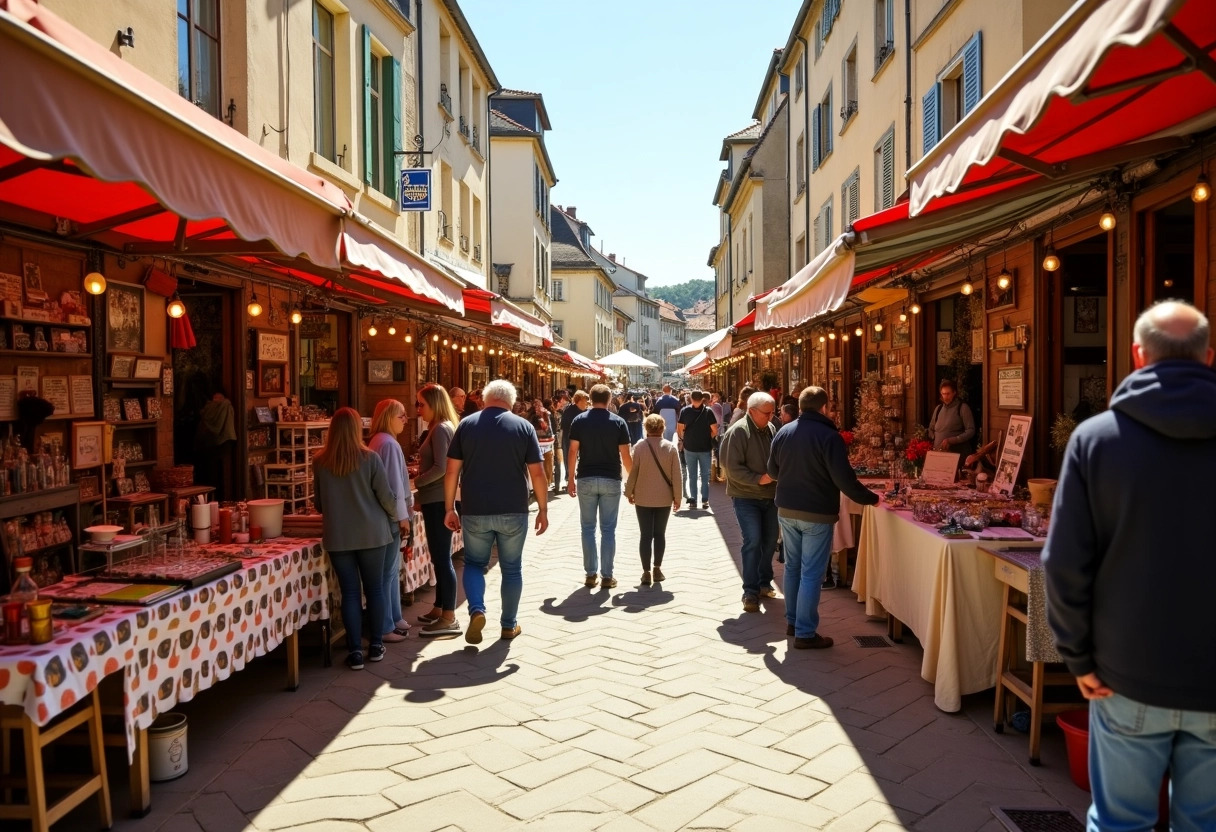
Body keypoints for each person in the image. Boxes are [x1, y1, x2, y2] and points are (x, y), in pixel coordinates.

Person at [1043, 300, 1216, 832]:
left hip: (1126, 669)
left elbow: (1064, 563)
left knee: (1121, 822)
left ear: (1138, 356)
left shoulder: (1097, 439)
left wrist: (1078, 657)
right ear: (1208, 357)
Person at [769, 387, 879, 649]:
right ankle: (805, 633)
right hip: (816, 512)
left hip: (786, 510)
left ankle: (793, 622)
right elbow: (845, 479)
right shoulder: (829, 436)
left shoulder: (784, 431)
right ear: (823, 408)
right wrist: (871, 498)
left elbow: (772, 471)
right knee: (811, 573)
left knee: (793, 567)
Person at [444, 380, 549, 644]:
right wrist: (543, 509)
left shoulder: (466, 425)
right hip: (513, 509)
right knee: (512, 569)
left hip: (475, 508)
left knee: (475, 564)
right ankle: (508, 625)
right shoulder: (524, 427)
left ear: (484, 400)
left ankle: (477, 608)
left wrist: (449, 508)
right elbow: (538, 473)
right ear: (511, 402)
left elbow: (451, 471)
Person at [313, 408, 398, 669]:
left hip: (339, 536)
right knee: (374, 589)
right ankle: (375, 644)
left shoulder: (320, 461)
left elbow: (319, 504)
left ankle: (354, 651)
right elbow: (385, 497)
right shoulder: (370, 458)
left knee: (350, 592)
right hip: (373, 534)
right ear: (356, 429)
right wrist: (397, 516)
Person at [567, 383, 633, 589]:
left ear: (590, 399)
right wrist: (633, 480)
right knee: (608, 530)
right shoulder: (618, 422)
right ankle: (607, 575)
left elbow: (572, 451)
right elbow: (625, 455)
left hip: (586, 477)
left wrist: (570, 479)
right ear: (609, 398)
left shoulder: (579, 420)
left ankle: (590, 573)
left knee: (587, 528)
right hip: (611, 478)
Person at [721, 391, 780, 613]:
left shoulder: (771, 428)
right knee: (753, 540)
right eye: (766, 413)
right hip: (746, 496)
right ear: (752, 411)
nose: (771, 416)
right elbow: (731, 468)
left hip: (770, 496)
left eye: (772, 412)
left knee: (769, 541)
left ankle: (765, 582)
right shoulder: (738, 432)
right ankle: (750, 591)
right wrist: (759, 479)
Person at [413, 384, 462, 636]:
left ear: (434, 404)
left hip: (440, 501)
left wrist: (417, 481)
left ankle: (449, 617)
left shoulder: (441, 428)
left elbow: (443, 467)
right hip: (438, 499)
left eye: (421, 404)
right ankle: (440, 607)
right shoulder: (441, 427)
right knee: (439, 557)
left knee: (442, 559)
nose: (418, 409)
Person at [367, 399, 414, 644]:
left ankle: (394, 617)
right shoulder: (388, 444)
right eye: (401, 415)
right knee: (388, 572)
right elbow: (394, 485)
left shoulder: (380, 441)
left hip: (386, 515)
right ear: (388, 417)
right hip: (390, 516)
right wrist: (402, 517)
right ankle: (386, 624)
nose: (406, 420)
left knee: (392, 570)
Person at [624, 413, 681, 585]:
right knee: (659, 534)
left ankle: (646, 572)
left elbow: (633, 472)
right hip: (664, 498)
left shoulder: (639, 447)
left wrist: (629, 492)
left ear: (646, 428)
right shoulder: (670, 448)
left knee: (645, 535)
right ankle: (657, 568)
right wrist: (677, 497)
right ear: (663, 428)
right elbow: (677, 476)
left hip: (643, 497)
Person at [677, 391, 717, 510]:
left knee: (692, 475)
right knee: (705, 476)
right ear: (703, 399)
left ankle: (693, 500)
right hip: (705, 448)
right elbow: (714, 430)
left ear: (690, 398)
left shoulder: (685, 411)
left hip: (690, 447)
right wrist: (707, 437)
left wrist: (682, 440)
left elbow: (680, 429)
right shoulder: (708, 411)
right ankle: (705, 500)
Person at [196, 388, 237, 500]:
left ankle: (212, 498)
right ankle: (224, 498)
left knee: (211, 471)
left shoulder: (207, 409)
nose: (216, 401)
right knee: (224, 472)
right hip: (225, 442)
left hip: (210, 443)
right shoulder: (227, 406)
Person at [927, 379, 975, 453]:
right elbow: (931, 428)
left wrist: (952, 440)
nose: (946, 397)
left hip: (957, 454)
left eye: (948, 394)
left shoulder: (962, 408)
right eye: (943, 394)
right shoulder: (938, 409)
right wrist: (935, 438)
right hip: (938, 453)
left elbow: (971, 430)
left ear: (954, 393)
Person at [561, 390, 588, 481]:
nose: (586, 403)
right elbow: (564, 426)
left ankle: (579, 471)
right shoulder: (569, 411)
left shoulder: (585, 411)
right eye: (585, 401)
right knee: (569, 456)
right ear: (579, 401)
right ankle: (569, 475)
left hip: (582, 438)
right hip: (569, 438)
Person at [529, 398, 555, 492]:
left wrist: (542, 420)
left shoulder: (546, 414)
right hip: (536, 442)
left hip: (546, 442)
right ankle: (538, 485)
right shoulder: (531, 415)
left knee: (548, 463)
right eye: (535, 405)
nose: (537, 407)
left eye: (539, 405)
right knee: (539, 464)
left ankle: (547, 483)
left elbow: (549, 429)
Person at [551, 389, 569, 492]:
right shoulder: (552, 413)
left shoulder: (562, 412)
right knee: (557, 462)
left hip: (558, 439)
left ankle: (557, 485)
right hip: (555, 439)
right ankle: (556, 484)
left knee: (558, 461)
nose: (563, 403)